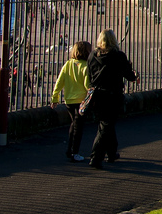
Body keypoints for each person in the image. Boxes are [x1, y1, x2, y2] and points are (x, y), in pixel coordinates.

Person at [87, 29, 138, 169]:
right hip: (112, 95)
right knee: (106, 126)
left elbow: (89, 75)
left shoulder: (92, 55)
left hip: (96, 95)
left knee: (106, 124)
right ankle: (95, 158)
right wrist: (134, 74)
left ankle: (111, 153)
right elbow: (129, 75)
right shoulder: (118, 56)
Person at [51, 40, 92, 162]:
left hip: (69, 100)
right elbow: (87, 85)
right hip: (81, 101)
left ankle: (70, 151)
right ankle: (74, 152)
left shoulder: (68, 64)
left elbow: (59, 81)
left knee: (73, 124)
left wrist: (55, 98)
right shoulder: (86, 66)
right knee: (78, 128)